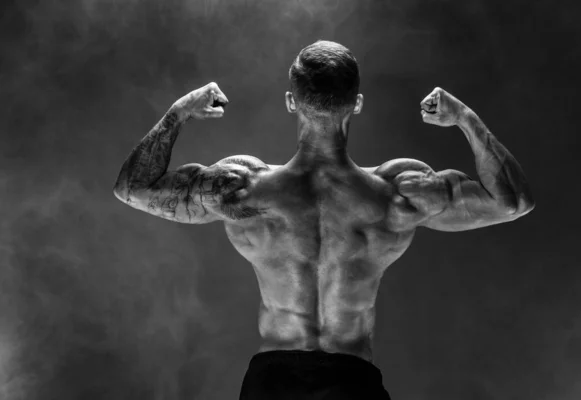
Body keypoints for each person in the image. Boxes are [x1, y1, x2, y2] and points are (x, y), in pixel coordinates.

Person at [113, 40, 534, 399]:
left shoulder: (241, 189)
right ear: (357, 103)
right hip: (351, 382)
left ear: (291, 101)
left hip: (272, 385)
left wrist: (180, 111)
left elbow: (132, 187)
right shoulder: (397, 193)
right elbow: (512, 201)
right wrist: (464, 118)